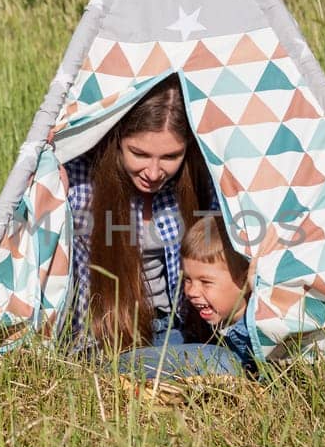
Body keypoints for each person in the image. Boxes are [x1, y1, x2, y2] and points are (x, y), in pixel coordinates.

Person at [65, 76, 214, 354]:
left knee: (220, 359)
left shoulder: (197, 182)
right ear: (117, 139)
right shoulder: (79, 182)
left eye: (170, 157)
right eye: (139, 154)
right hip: (106, 339)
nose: (154, 172)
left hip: (180, 331)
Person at [178, 214, 257, 377]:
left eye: (205, 282)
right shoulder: (216, 319)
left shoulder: (261, 327)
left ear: (245, 282)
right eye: (187, 279)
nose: (191, 292)